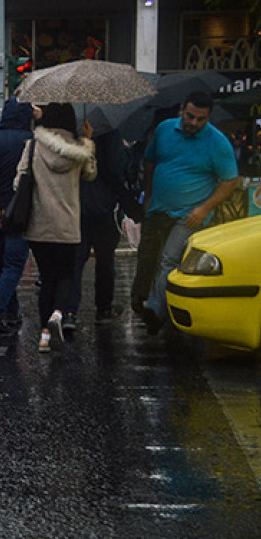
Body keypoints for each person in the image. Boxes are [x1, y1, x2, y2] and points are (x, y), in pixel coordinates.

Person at [140, 92, 240, 334]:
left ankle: (156, 310)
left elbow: (230, 181)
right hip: (158, 209)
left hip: (190, 215)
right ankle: (155, 304)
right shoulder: (165, 130)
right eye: (190, 116)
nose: (193, 123)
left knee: (169, 259)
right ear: (181, 110)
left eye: (200, 119)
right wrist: (149, 195)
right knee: (150, 259)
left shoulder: (217, 142)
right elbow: (150, 162)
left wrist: (204, 208)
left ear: (208, 119)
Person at [18, 103, 97, 352]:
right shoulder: (79, 150)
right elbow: (90, 175)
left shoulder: (33, 146)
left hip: (39, 225)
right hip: (68, 225)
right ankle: (58, 314)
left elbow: (18, 181)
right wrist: (88, 141)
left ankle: (43, 335)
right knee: (66, 275)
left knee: (47, 277)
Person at [65, 130, 139, 329]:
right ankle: (103, 308)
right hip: (103, 208)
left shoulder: (71, 136)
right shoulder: (110, 136)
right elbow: (118, 172)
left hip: (77, 207)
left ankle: (70, 311)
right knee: (105, 262)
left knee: (76, 262)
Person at [0, 98, 39, 336]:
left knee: (0, 263)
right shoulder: (32, 143)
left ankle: (11, 311)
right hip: (21, 212)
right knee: (15, 263)